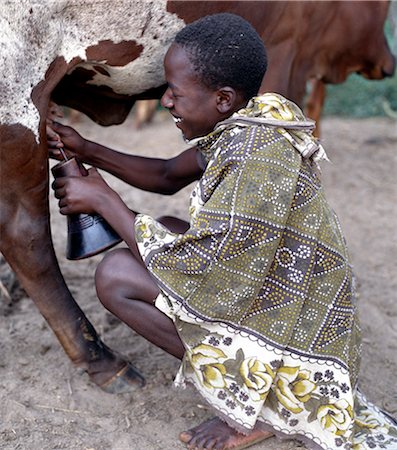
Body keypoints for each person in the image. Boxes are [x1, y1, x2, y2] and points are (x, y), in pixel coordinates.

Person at [47, 13, 397, 450]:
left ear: (223, 98)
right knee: (171, 228)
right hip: (285, 308)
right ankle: (258, 393)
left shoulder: (256, 159)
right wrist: (87, 149)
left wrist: (104, 201)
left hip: (300, 349)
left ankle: (258, 406)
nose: (166, 103)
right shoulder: (251, 124)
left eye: (175, 92)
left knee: (116, 275)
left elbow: (206, 274)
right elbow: (169, 174)